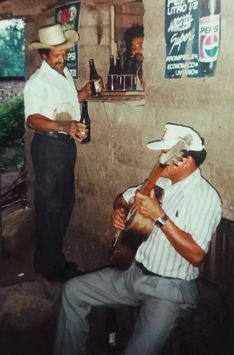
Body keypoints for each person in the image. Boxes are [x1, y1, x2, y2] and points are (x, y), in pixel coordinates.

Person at [53, 122, 222, 355]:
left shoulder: (205, 198)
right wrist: (119, 210)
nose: (159, 159)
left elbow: (196, 256)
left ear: (185, 160)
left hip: (170, 291)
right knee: (73, 291)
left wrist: (159, 217)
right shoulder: (159, 182)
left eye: (165, 153)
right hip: (133, 274)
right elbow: (123, 197)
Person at [24, 23, 91, 282]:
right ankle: (47, 265)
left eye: (64, 54)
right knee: (50, 207)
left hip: (64, 146)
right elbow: (33, 119)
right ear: (44, 55)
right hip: (48, 147)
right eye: (56, 56)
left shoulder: (63, 75)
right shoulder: (37, 82)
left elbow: (67, 101)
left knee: (64, 204)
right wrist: (65, 125)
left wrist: (83, 94)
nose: (62, 59)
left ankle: (54, 259)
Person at [124, 24, 145, 89]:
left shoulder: (158, 75)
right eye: (133, 48)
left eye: (141, 46)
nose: (136, 51)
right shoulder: (132, 74)